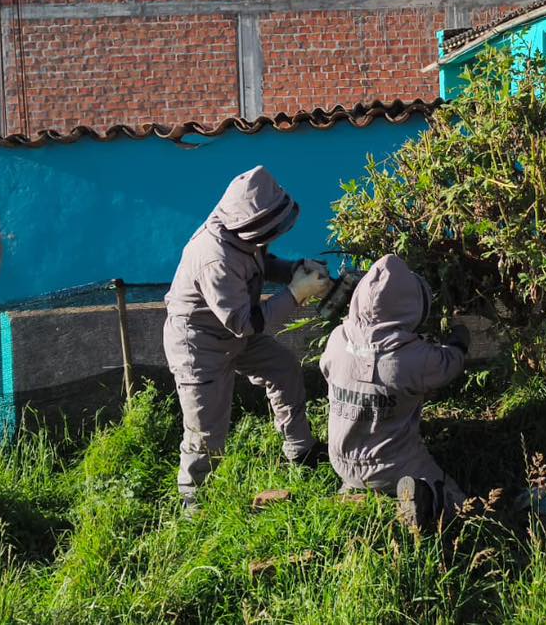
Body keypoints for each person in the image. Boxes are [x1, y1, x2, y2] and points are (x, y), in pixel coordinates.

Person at [164, 165, 333, 504]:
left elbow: (260, 259)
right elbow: (245, 323)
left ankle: (300, 451)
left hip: (233, 328)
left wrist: (294, 269)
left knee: (283, 368)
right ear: (250, 220)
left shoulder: (240, 228)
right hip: (199, 345)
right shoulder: (213, 259)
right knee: (205, 431)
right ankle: (193, 504)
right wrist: (297, 293)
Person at [320, 254, 471, 530]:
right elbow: (451, 362)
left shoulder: (337, 339)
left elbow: (328, 371)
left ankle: (356, 490)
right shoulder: (414, 358)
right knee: (460, 504)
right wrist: (459, 334)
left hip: (340, 458)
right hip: (393, 462)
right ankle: (427, 503)